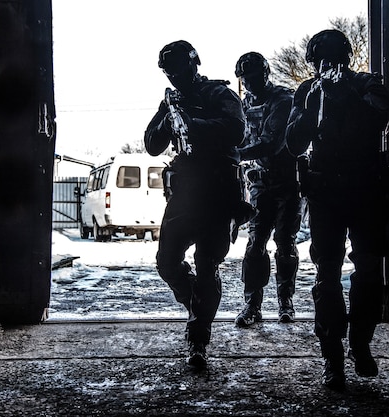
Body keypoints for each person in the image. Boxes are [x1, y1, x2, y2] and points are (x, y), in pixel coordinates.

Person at [285, 29, 389, 390]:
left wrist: (343, 91)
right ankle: (332, 356)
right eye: (318, 61)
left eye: (330, 59)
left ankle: (360, 345)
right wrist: (316, 102)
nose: (324, 66)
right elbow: (294, 142)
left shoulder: (367, 84)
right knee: (326, 274)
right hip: (326, 192)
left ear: (345, 59)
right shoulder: (306, 91)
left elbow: (380, 117)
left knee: (369, 272)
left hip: (365, 189)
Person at [144, 40, 246, 369]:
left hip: (218, 192)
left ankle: (198, 338)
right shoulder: (171, 100)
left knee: (207, 265)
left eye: (178, 69)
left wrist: (192, 122)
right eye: (167, 72)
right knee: (167, 262)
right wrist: (168, 118)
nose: (173, 77)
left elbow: (237, 131)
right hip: (185, 191)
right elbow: (151, 145)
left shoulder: (219, 94)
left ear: (193, 64)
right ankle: (199, 307)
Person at [233, 52, 301, 326]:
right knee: (255, 245)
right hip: (260, 183)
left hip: (286, 182)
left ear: (265, 74)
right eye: (245, 78)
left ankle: (286, 301)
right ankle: (252, 304)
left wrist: (234, 153)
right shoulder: (244, 103)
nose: (249, 83)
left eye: (253, 77)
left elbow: (271, 142)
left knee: (285, 244)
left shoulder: (282, 100)